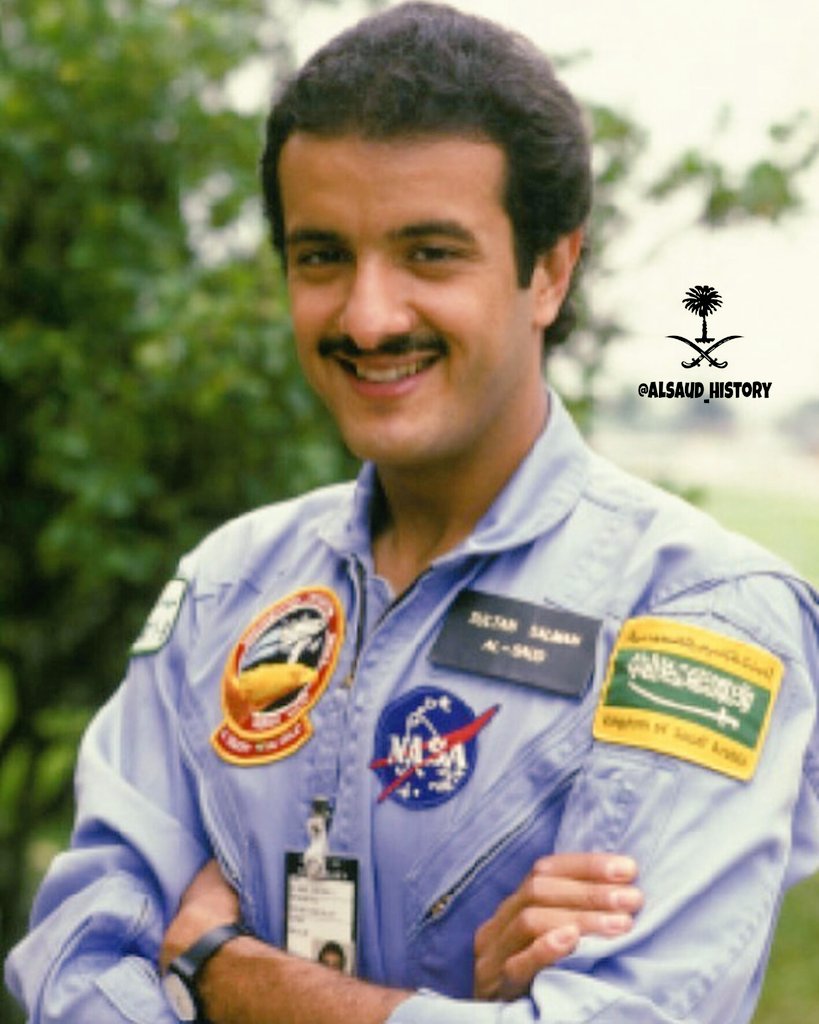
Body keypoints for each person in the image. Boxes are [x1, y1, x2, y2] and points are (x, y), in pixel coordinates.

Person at [6, 3, 819, 1023]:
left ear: (549, 270)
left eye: (430, 253)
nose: (367, 316)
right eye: (321, 256)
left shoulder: (697, 619)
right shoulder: (229, 585)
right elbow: (76, 961)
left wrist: (224, 969)